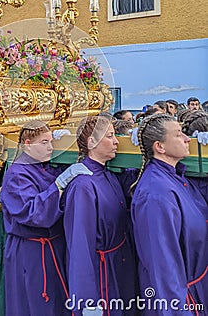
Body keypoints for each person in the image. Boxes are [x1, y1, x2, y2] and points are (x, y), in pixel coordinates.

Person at [0, 120, 92, 316]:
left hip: (52, 247)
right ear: (27, 144)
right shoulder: (17, 174)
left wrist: (66, 144)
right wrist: (58, 185)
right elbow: (32, 212)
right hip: (31, 250)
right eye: (44, 143)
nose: (50, 147)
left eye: (51, 142)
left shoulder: (43, 165)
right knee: (33, 303)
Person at [130, 113, 207, 316]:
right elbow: (163, 267)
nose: (186, 138)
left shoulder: (175, 176)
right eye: (179, 134)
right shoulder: (156, 194)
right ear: (160, 147)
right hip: (182, 301)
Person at [63, 113, 139, 315]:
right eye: (110, 136)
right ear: (92, 141)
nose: (116, 142)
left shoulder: (108, 174)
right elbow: (80, 246)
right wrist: (87, 299)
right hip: (102, 276)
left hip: (119, 266)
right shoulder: (83, 185)